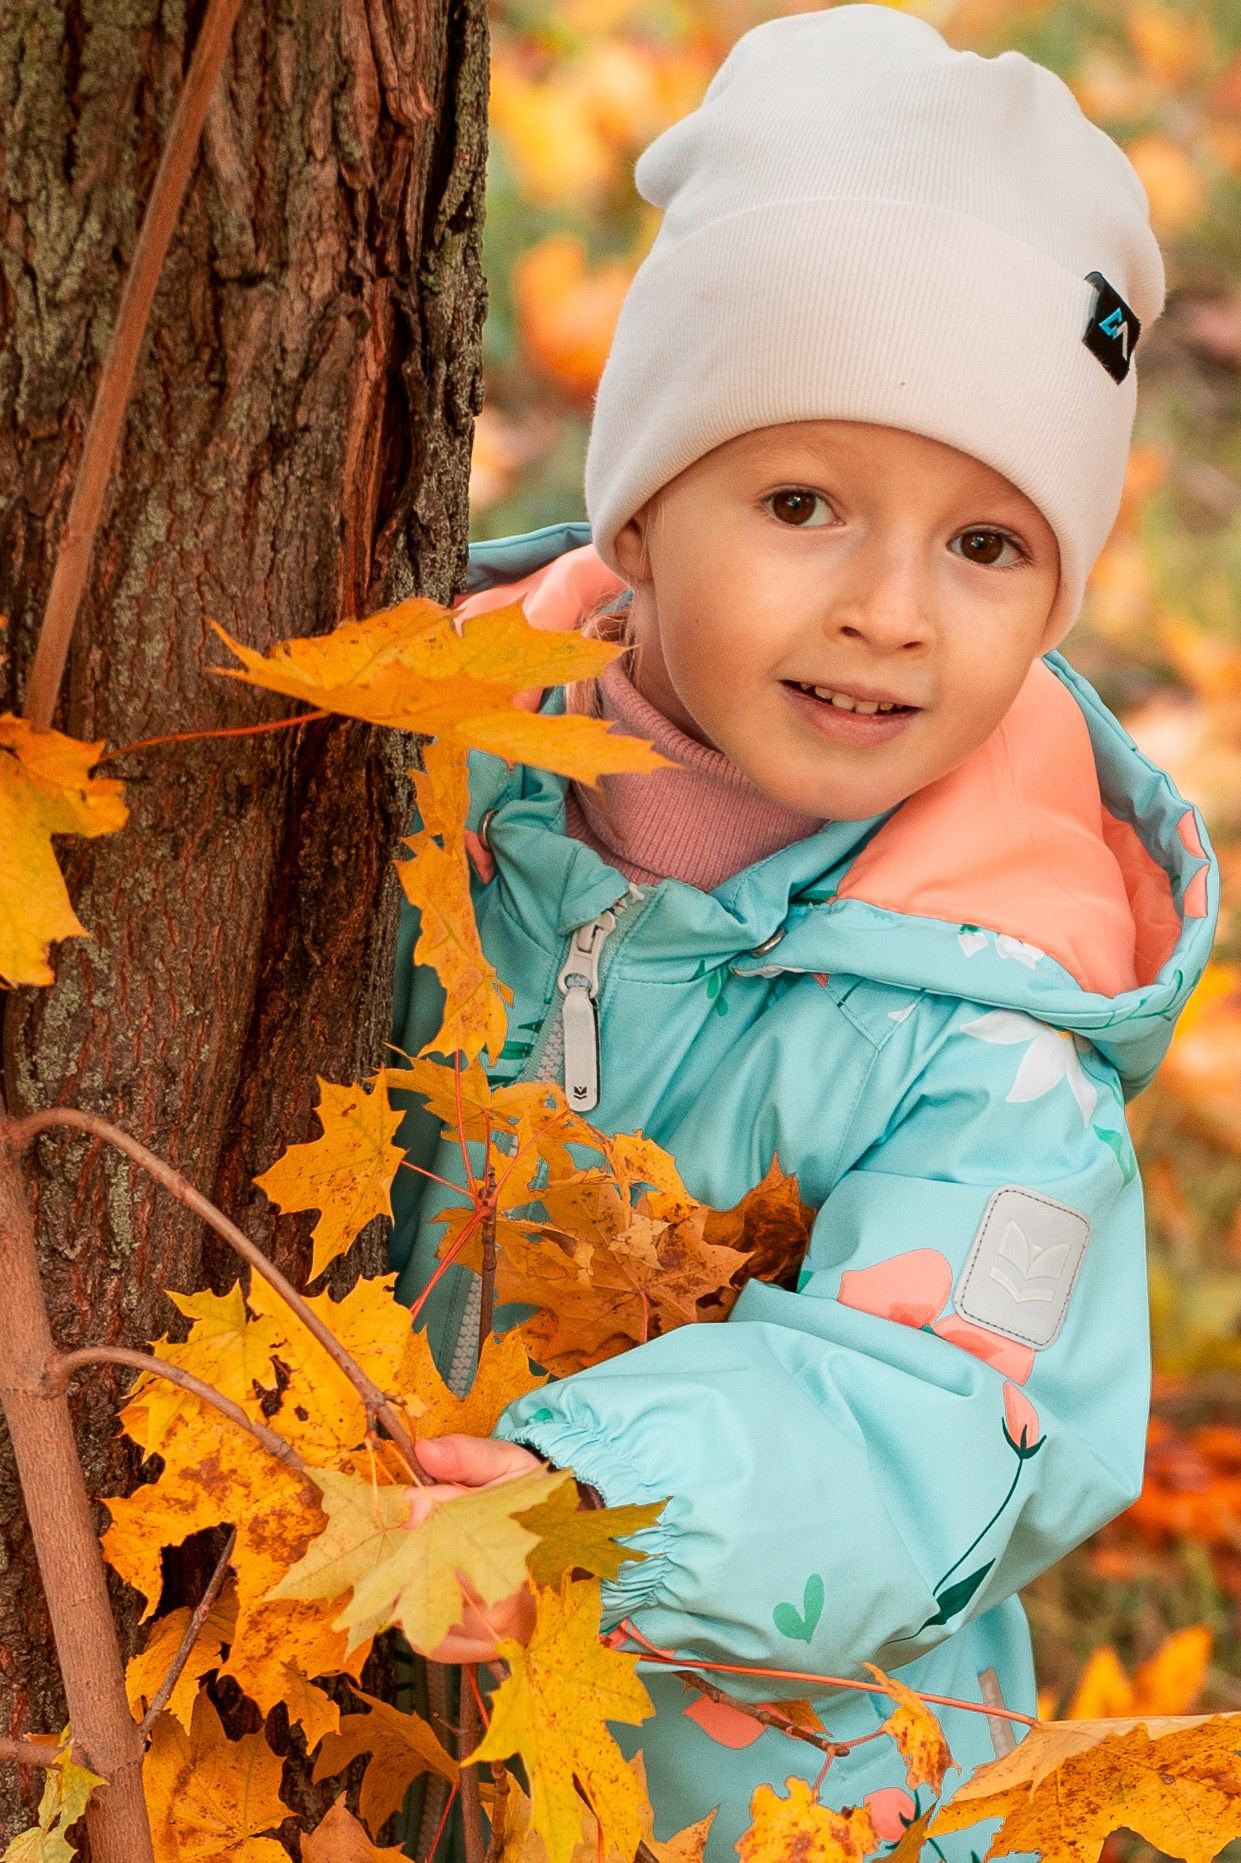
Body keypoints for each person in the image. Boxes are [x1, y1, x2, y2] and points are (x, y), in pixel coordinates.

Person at [389, 8, 1217, 1854]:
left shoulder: (1000, 1030)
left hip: (763, 1797)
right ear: (641, 515)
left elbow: (944, 1419)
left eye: (985, 546)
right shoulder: (418, 776)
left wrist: (593, 1501)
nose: (889, 610)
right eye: (799, 503)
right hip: (339, 1720)